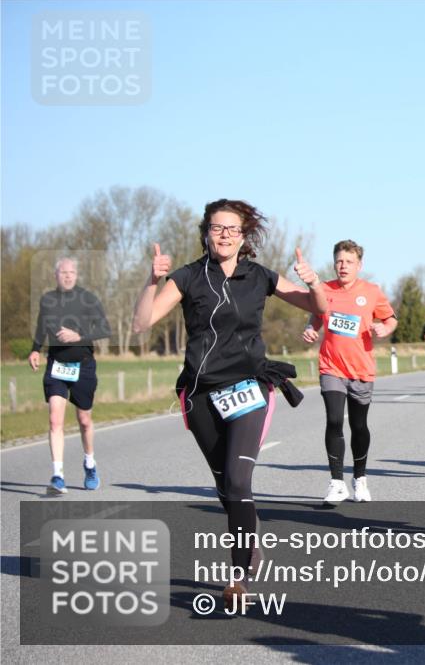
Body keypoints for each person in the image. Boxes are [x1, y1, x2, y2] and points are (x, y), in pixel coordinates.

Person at [132, 199, 326, 610]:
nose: (224, 235)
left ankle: (237, 578)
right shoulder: (187, 276)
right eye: (217, 228)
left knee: (239, 481)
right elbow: (141, 323)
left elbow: (319, 309)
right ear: (206, 232)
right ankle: (250, 537)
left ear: (244, 236)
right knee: (225, 486)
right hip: (200, 393)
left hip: (248, 387)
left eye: (232, 229)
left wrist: (313, 282)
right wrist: (151, 280)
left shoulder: (260, 276)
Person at [302, 240, 397, 504]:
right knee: (334, 420)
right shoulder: (324, 289)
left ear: (359, 264)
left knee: (358, 425)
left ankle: (360, 478)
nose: (343, 266)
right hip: (331, 366)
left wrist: (384, 329)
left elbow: (390, 319)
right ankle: (336, 482)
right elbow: (315, 315)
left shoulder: (372, 291)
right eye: (339, 261)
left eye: (349, 262)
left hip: (361, 368)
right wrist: (311, 329)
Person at [29, 257, 112, 494]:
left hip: (83, 366)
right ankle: (57, 475)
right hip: (56, 366)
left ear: (76, 275)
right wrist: (35, 348)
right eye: (63, 272)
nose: (67, 275)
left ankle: (89, 463)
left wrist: (79, 336)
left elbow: (105, 329)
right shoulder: (48, 300)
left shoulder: (88, 299)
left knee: (84, 420)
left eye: (71, 272)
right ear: (56, 275)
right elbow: (41, 327)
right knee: (55, 420)